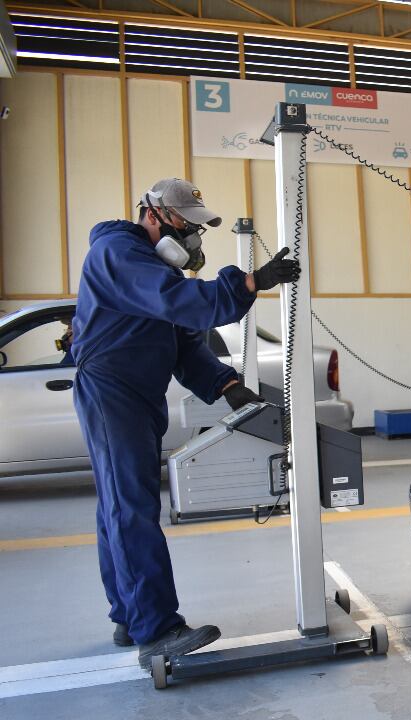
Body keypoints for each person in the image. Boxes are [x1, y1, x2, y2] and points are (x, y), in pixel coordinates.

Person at [71, 178, 301, 668]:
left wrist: (226, 385)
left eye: (198, 226)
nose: (195, 236)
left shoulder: (152, 266)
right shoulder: (118, 253)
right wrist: (249, 282)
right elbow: (183, 302)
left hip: (138, 391)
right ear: (152, 216)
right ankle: (155, 630)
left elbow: (182, 343)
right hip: (112, 388)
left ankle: (128, 615)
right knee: (130, 506)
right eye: (186, 224)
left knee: (119, 501)